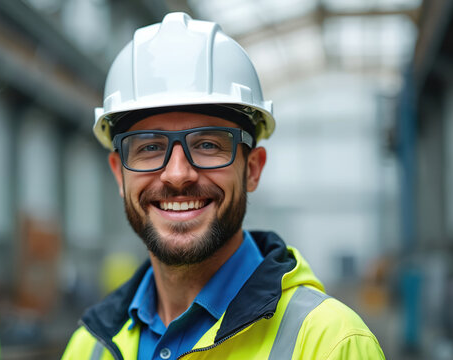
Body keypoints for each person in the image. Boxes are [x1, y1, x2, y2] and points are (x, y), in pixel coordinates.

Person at [62, 12, 385, 360]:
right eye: (150, 147)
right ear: (118, 175)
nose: (176, 174)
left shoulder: (331, 344)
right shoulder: (89, 347)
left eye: (208, 145)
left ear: (253, 169)